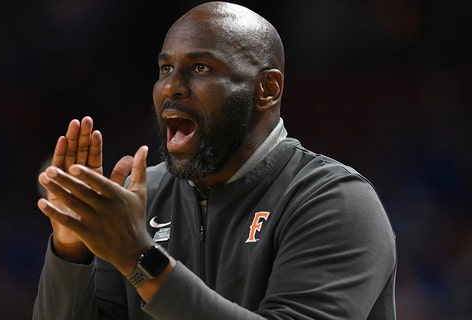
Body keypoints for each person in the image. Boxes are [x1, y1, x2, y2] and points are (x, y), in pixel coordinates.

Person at [32, 1, 397, 319]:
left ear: (266, 89)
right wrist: (72, 250)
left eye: (200, 67)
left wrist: (139, 256)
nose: (171, 86)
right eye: (165, 69)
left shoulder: (334, 201)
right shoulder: (139, 201)